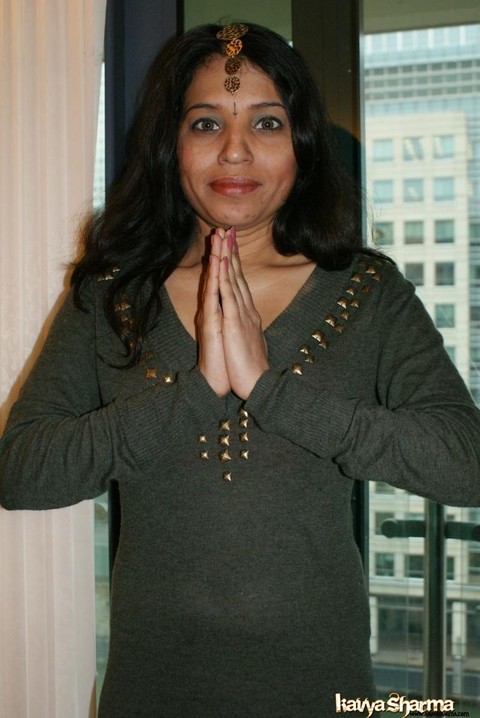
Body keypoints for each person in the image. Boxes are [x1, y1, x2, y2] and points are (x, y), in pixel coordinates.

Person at [1, 21, 480, 717]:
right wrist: (194, 393)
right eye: (205, 123)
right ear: (172, 146)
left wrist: (271, 390)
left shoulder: (366, 293)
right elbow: (21, 471)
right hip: (152, 690)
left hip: (322, 690)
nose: (234, 150)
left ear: (302, 145)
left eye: (266, 122)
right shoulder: (115, 295)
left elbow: (465, 465)